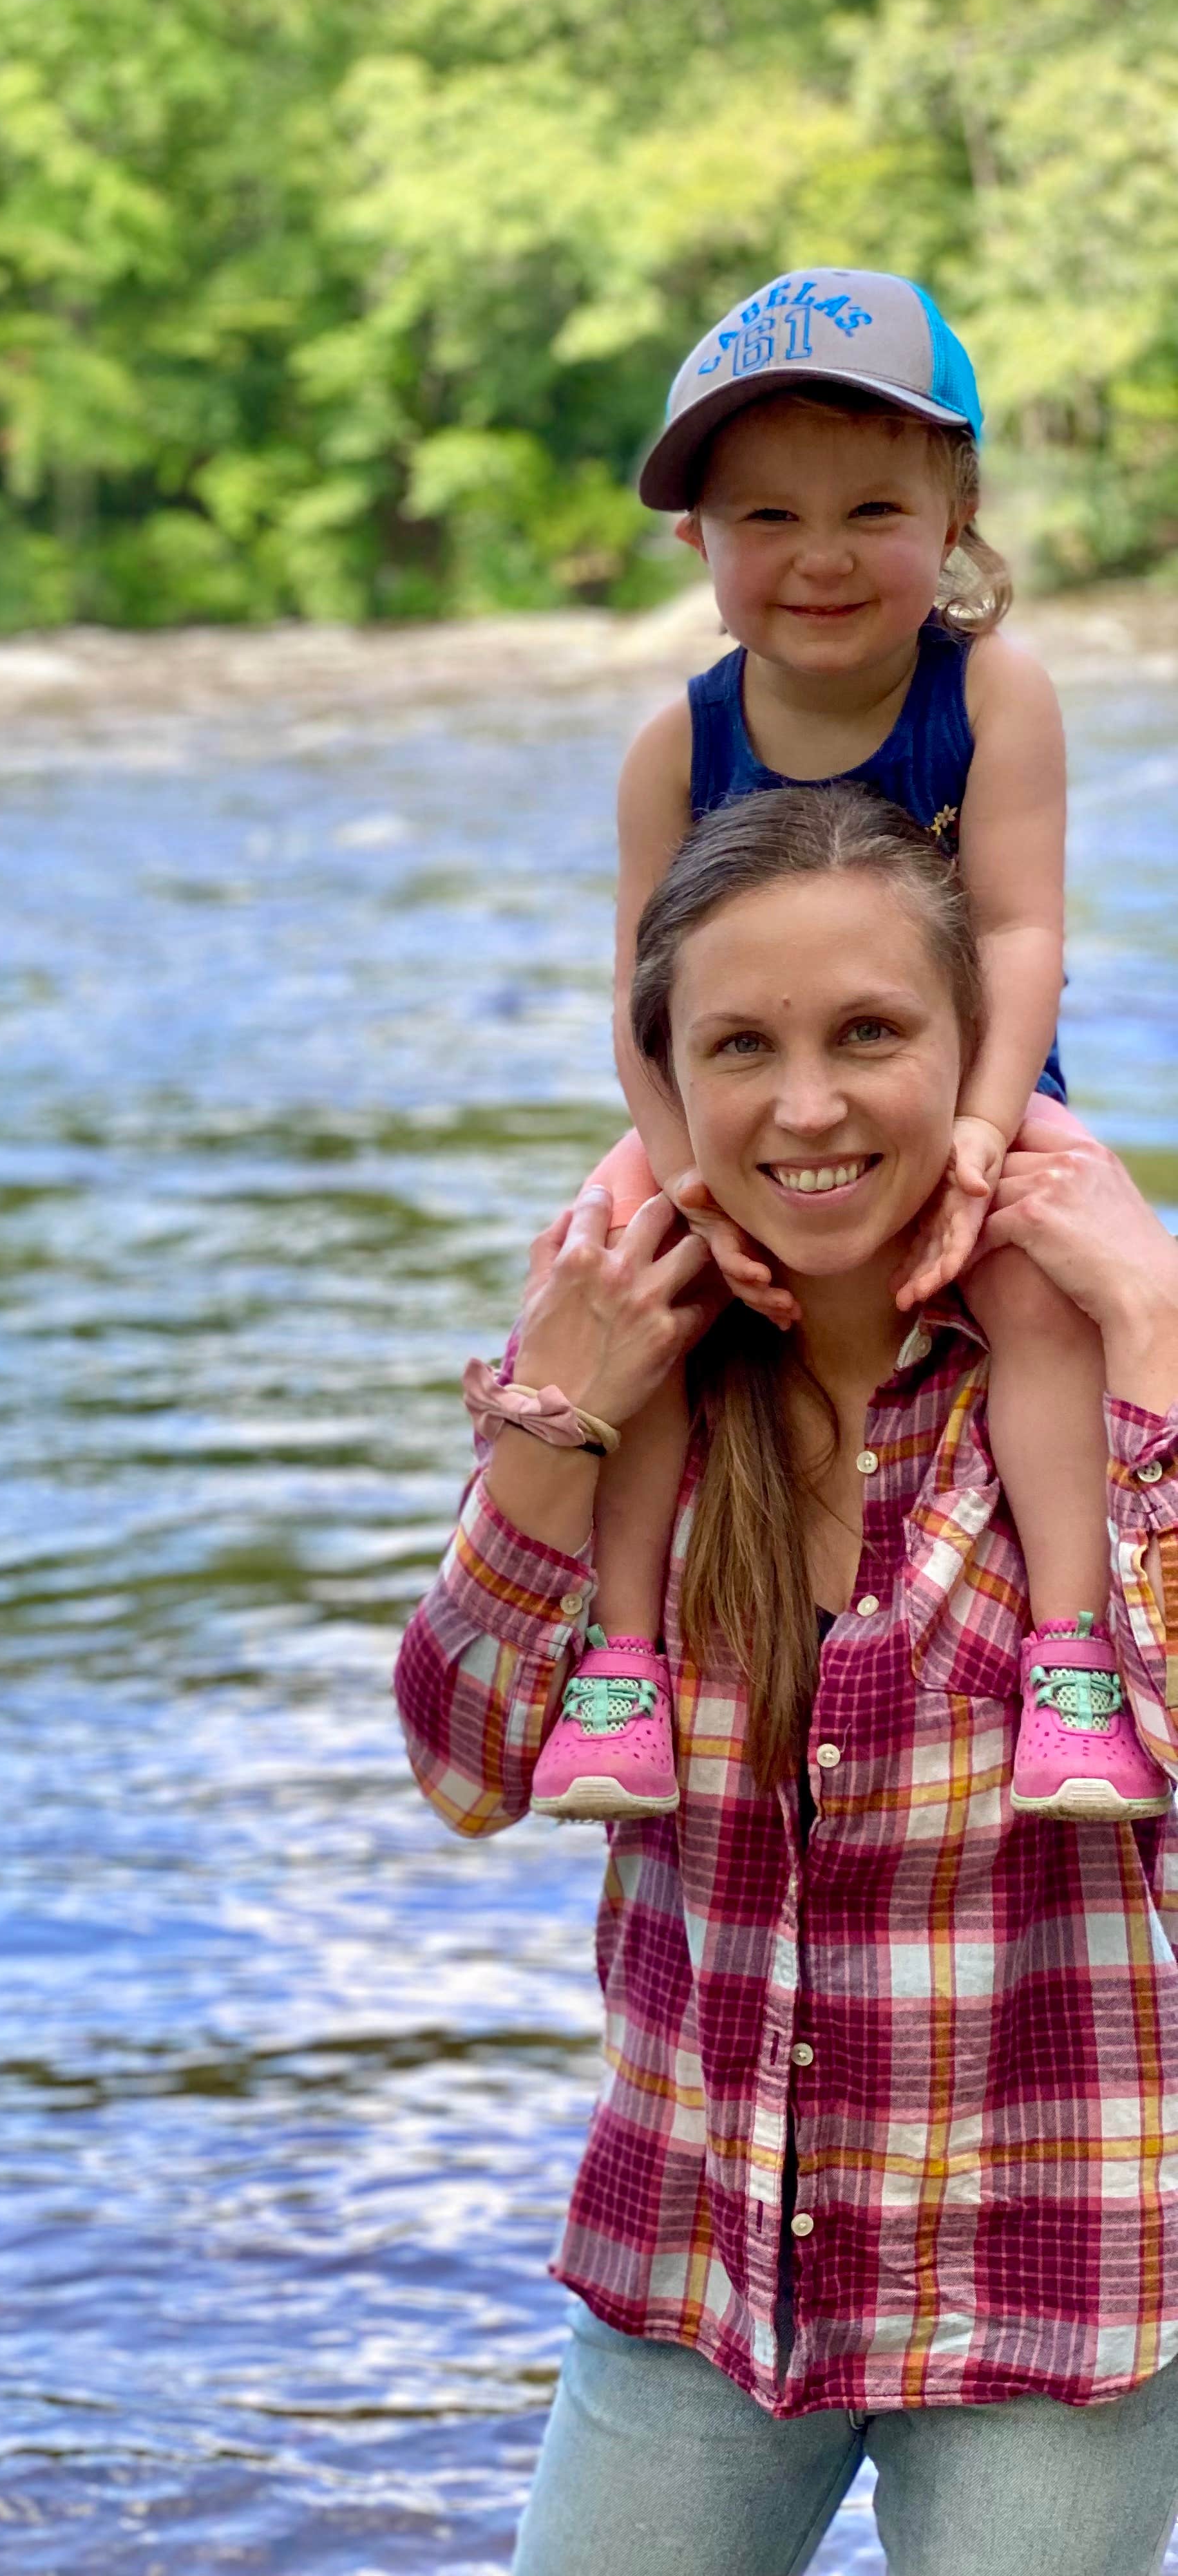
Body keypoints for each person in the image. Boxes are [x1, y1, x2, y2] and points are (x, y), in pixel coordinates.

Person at [394, 785, 1178, 2575]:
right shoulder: (635, 1376)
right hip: (697, 2274)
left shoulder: (1093, 1373)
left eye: (870, 1034)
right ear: (665, 1076)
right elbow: (462, 1767)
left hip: (1048, 2291)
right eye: (741, 1042)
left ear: (975, 1055)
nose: (807, 1105)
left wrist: (1155, 1326)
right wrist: (549, 1419)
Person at [530, 265, 1166, 1828]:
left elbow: (1019, 936)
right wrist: (688, 1182)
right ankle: (621, 1663)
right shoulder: (677, 742)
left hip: (979, 1075)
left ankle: (1073, 1655)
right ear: (699, 541)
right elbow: (645, 999)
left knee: (1037, 1283)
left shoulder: (992, 692)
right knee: (637, 1278)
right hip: (726, 1100)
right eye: (766, 519)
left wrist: (981, 1129)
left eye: (872, 508)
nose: (821, 559)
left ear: (953, 513)